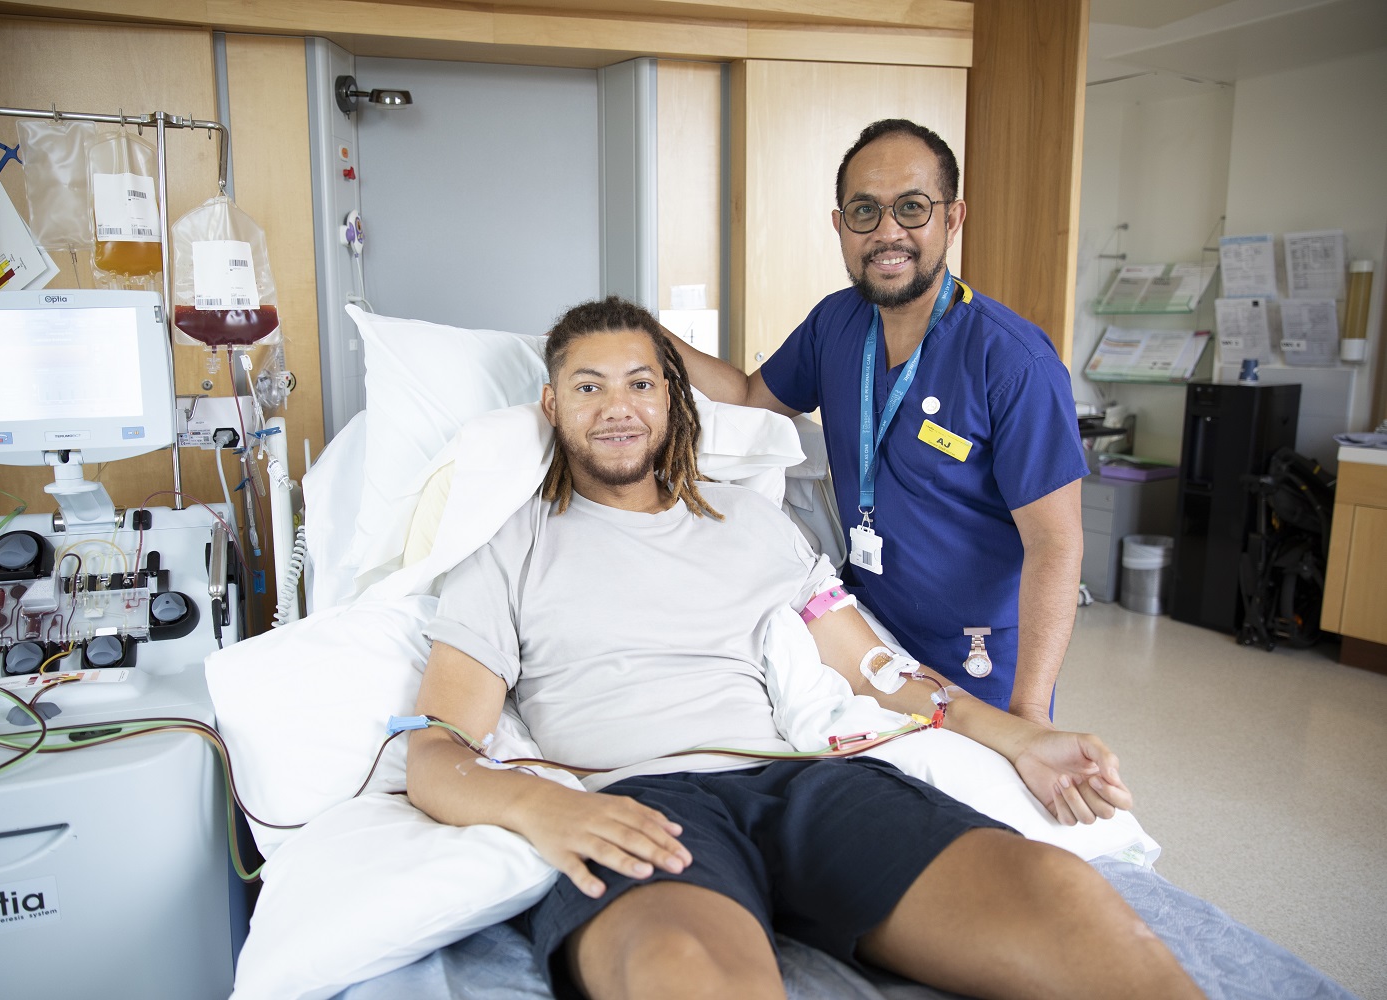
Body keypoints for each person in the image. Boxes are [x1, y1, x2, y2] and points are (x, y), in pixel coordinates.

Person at [406, 298, 1198, 1000]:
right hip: (640, 802)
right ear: (550, 404)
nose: (619, 408)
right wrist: (540, 806)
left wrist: (1025, 736)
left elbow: (877, 672)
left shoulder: (750, 525)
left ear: (674, 399)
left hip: (805, 787)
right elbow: (439, 751)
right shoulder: (507, 545)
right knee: (680, 970)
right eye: (589, 386)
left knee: (1060, 899)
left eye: (641, 383)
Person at [667, 119, 1087, 726]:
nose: (888, 232)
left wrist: (1028, 714)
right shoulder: (835, 324)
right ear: (840, 225)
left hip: (979, 657)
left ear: (953, 218)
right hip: (864, 637)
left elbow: (1055, 543)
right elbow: (750, 397)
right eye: (865, 210)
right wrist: (646, 336)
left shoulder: (1014, 362)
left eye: (912, 208)